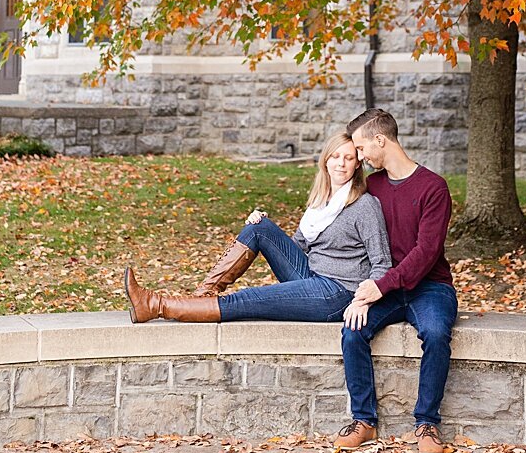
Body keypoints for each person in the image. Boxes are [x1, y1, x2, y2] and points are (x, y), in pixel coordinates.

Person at [123, 133, 391, 326]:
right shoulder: (321, 202)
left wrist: (362, 301)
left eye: (348, 158)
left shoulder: (364, 205)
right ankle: (200, 298)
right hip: (311, 274)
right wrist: (268, 231)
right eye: (335, 156)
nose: (340, 163)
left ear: (358, 164)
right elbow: (298, 247)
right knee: (259, 227)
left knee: (245, 300)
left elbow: (381, 263)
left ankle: (155, 305)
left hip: (335, 293)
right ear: (325, 160)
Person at [332, 107, 457, 453]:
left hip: (430, 286)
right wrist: (364, 292)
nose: (359, 156)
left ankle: (427, 423)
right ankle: (364, 420)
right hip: (381, 285)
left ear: (380, 140)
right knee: (353, 330)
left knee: (435, 333)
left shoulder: (433, 187)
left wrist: (380, 286)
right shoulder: (371, 186)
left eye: (360, 148)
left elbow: (426, 252)